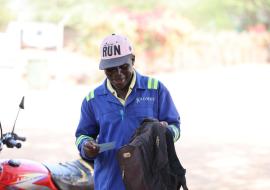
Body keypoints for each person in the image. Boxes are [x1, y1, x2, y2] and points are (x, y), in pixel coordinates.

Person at [75, 34, 181, 190]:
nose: (118, 73)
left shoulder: (155, 89)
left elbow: (175, 126)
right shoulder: (93, 99)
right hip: (110, 183)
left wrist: (166, 133)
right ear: (103, 68)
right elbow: (82, 135)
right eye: (111, 68)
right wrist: (86, 146)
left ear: (132, 60)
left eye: (123, 66)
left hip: (150, 182)